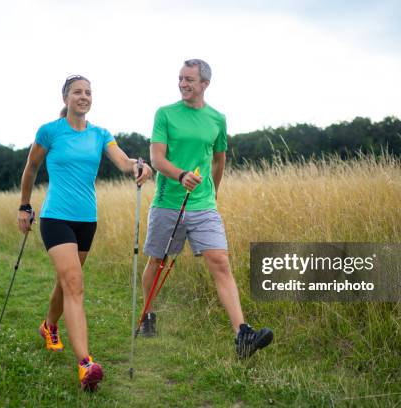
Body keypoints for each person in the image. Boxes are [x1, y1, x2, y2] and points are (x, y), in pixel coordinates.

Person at [17, 75, 152, 391]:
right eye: (77, 92)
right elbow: (31, 169)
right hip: (55, 218)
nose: (84, 96)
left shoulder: (100, 134)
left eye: (88, 92)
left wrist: (139, 166)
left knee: (67, 282)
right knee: (74, 284)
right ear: (65, 98)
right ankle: (85, 364)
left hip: (86, 220)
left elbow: (122, 162)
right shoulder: (50, 131)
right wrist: (24, 206)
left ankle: (49, 326)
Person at [141, 59, 273, 358]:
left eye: (189, 79)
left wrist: (212, 195)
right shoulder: (165, 114)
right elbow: (157, 159)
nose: (183, 84)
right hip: (167, 203)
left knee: (220, 263)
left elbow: (219, 159)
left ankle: (243, 335)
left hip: (203, 206)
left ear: (205, 84)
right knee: (157, 262)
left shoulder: (217, 118)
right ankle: (147, 314)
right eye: (180, 78)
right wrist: (180, 175)